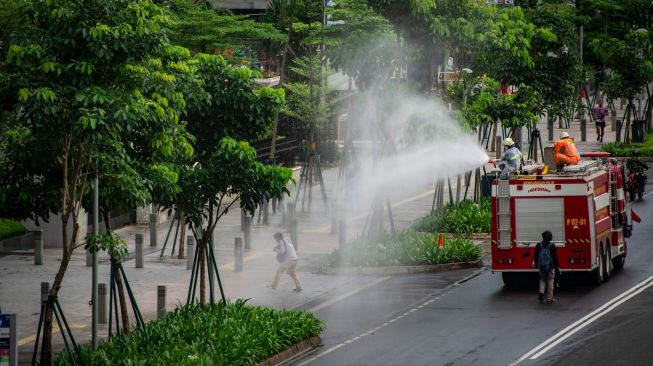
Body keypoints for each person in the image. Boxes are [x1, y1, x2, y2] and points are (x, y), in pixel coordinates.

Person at [534, 230, 559, 303]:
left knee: (542, 280)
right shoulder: (552, 246)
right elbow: (555, 257)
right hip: (550, 266)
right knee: (550, 281)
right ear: (550, 238)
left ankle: (541, 293)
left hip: (541, 266)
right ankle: (550, 298)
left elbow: (535, 256)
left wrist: (536, 264)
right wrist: (557, 266)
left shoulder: (538, 245)